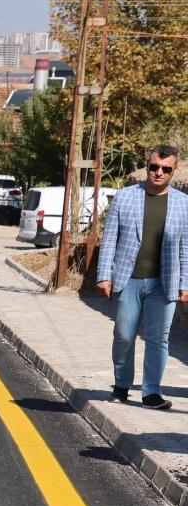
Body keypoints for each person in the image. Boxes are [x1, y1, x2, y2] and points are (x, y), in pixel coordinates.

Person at [96, 145, 188, 409]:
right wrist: (104, 275)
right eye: (154, 167)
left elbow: (186, 246)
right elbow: (110, 238)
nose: (159, 173)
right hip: (129, 280)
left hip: (165, 283)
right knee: (124, 335)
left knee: (158, 339)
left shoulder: (183, 204)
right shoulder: (125, 197)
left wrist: (185, 283)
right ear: (147, 166)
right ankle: (122, 385)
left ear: (174, 170)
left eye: (165, 169)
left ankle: (151, 392)